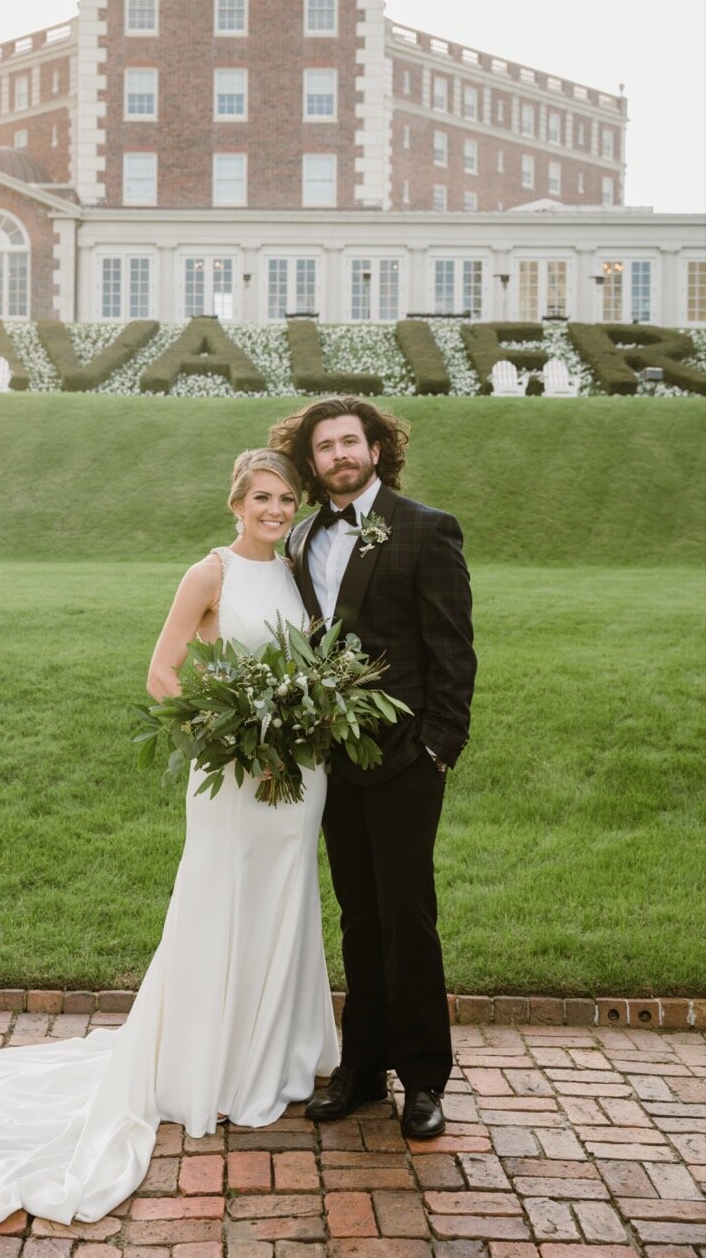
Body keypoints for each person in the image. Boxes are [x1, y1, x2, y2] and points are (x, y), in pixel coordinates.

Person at [0, 448, 338, 1231]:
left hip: (301, 778)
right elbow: (164, 674)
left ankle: (274, 1055)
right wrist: (241, 740)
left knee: (287, 901)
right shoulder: (209, 574)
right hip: (239, 775)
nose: (277, 510)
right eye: (264, 498)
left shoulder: (302, 570)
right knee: (218, 904)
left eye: (288, 499)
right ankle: (206, 1064)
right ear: (236, 503)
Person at [269, 398, 476, 1140]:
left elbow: (453, 650)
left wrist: (437, 749)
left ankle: (423, 1078)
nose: (339, 455)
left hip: (407, 759)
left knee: (407, 916)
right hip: (332, 762)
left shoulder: (425, 526)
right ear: (311, 461)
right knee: (357, 913)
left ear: (379, 448)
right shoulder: (298, 539)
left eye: (351, 441)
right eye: (324, 447)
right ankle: (361, 1069)